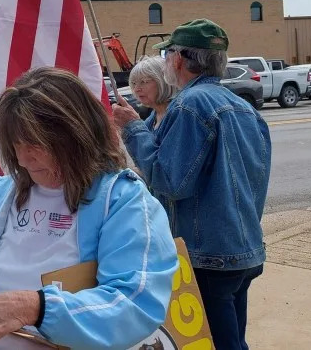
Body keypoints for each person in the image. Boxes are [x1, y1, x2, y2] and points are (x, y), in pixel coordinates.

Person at [0, 67, 178, 349]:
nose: (24, 159)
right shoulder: (1, 193)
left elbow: (136, 302)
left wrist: (37, 307)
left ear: (77, 135)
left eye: (36, 144)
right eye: (16, 144)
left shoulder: (123, 200)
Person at [112, 19, 271, 350]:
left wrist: (132, 127)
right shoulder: (244, 108)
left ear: (178, 59)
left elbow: (170, 181)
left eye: (167, 54)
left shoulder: (190, 104)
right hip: (242, 251)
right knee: (232, 340)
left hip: (208, 256)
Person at [128, 55, 176, 131]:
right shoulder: (155, 114)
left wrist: (135, 124)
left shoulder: (177, 115)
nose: (136, 89)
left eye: (144, 81)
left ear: (163, 81)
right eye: (133, 83)